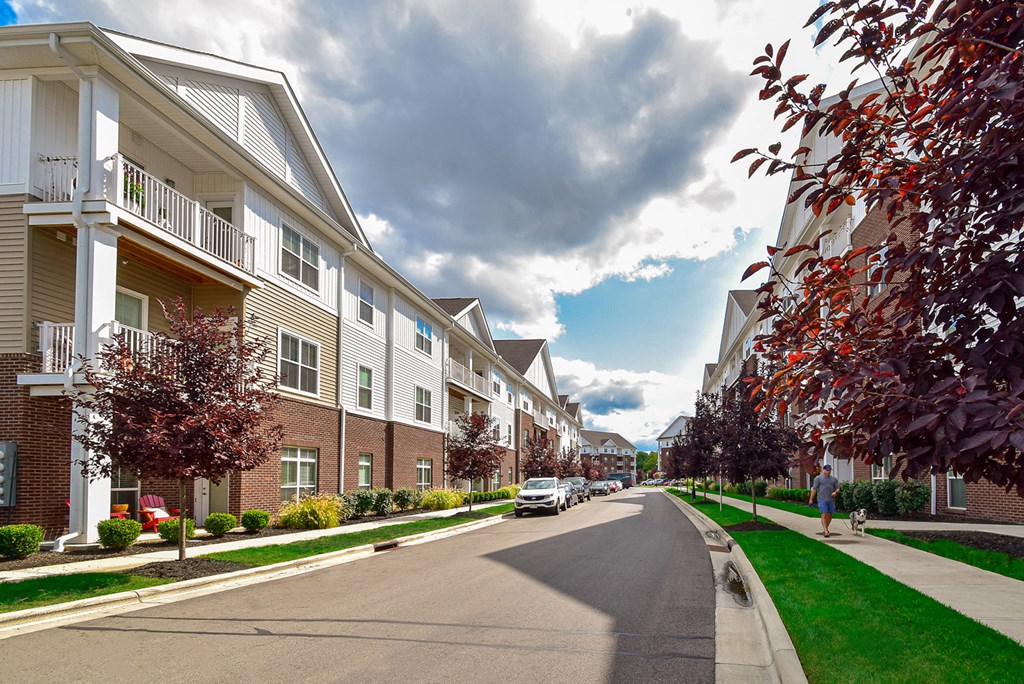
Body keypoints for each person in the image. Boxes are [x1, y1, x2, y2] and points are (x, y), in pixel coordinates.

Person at [809, 464, 841, 537]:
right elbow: (814, 489)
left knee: (829, 515)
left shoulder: (834, 479)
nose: (829, 472)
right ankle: (826, 531)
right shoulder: (818, 478)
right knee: (824, 514)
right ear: (824, 470)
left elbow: (838, 488)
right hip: (822, 499)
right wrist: (811, 499)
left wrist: (835, 492)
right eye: (827, 470)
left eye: (830, 470)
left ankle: (825, 528)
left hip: (831, 500)